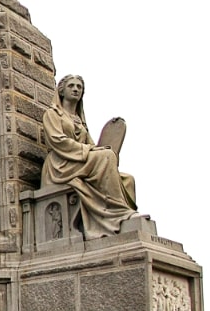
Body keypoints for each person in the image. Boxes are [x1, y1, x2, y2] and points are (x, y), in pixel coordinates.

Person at [41, 75, 143, 239]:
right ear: (61, 90)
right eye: (71, 86)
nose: (75, 89)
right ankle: (118, 214)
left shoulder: (80, 120)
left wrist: (109, 140)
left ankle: (123, 216)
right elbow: (57, 141)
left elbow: (94, 147)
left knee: (127, 179)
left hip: (79, 161)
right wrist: (90, 151)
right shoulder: (52, 114)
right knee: (107, 157)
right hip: (61, 164)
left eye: (79, 87)